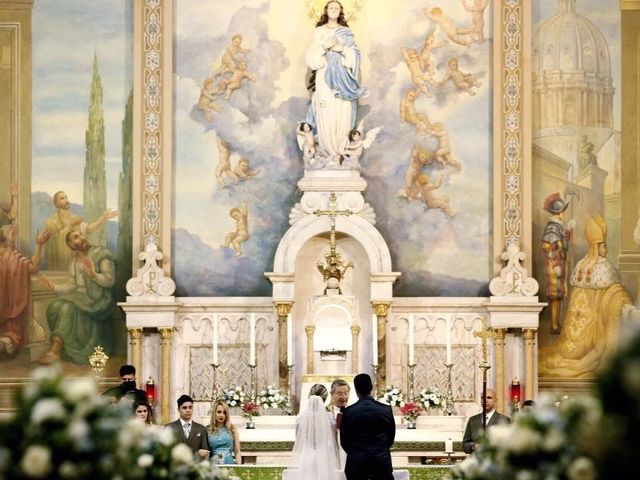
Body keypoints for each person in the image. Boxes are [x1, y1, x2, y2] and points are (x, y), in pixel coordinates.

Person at [540, 216, 633, 378]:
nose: (607, 249)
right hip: (590, 340)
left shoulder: (581, 265)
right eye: (604, 245)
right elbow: (614, 293)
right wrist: (620, 295)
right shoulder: (604, 267)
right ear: (597, 246)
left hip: (571, 340)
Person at [37, 230, 115, 365]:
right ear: (71, 245)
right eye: (76, 237)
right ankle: (61, 346)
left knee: (67, 307)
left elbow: (110, 281)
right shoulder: (74, 261)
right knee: (55, 307)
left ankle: (55, 350)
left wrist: (94, 275)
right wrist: (53, 286)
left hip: (99, 300)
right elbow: (72, 285)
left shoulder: (101, 254)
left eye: (81, 234)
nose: (82, 237)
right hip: (82, 299)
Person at [305, 1, 367, 158]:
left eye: (337, 8)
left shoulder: (346, 32)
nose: (334, 10)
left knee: (342, 109)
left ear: (341, 12)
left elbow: (356, 55)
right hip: (324, 76)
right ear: (326, 10)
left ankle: (341, 149)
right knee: (326, 109)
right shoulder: (319, 31)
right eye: (331, 7)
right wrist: (324, 46)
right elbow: (311, 56)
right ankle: (327, 151)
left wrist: (343, 49)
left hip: (343, 79)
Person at [0, 226, 50, 357]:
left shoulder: (13, 257)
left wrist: (39, 245)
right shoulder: (12, 256)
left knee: (9, 337)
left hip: (8, 324)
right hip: (8, 324)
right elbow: (33, 268)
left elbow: (33, 268)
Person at [340, 373, 395, 480]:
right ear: (371, 388)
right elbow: (390, 438)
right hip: (381, 462)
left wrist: (356, 453)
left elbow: (344, 441)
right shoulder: (386, 410)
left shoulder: (349, 412)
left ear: (356, 390)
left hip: (356, 463)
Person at [44, 190, 117, 271]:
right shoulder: (52, 222)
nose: (66, 200)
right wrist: (69, 227)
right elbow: (51, 244)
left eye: (66, 197)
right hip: (60, 264)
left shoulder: (75, 218)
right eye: (62, 198)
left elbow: (88, 229)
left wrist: (103, 218)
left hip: (75, 262)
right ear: (56, 204)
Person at [285, 392, 340, 480]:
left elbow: (298, 438)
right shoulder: (329, 417)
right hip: (324, 453)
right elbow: (334, 440)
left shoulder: (301, 417)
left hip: (307, 452)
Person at [540, 193, 573, 334]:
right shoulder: (552, 227)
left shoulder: (558, 226)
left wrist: (569, 231)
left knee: (559, 296)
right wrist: (556, 252)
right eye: (563, 210)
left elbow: (563, 244)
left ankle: (556, 324)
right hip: (555, 265)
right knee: (555, 295)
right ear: (558, 212)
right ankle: (554, 325)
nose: (564, 213)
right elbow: (547, 247)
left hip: (559, 263)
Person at [462, 388, 511, 454]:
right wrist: (474, 446)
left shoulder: (505, 420)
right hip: (477, 461)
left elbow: (509, 445)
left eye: (489, 397)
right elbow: (465, 445)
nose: (485, 400)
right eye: (482, 398)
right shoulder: (473, 420)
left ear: (495, 400)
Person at [166, 394, 210, 459]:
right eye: (184, 408)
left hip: (196, 467)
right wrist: (196, 453)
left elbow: (205, 453)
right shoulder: (169, 428)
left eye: (190, 407)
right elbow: (166, 452)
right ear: (178, 409)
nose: (188, 410)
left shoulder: (201, 429)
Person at [208, 400, 241, 464]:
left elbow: (237, 451)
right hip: (214, 463)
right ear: (214, 413)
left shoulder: (232, 428)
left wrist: (239, 466)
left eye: (224, 412)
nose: (222, 415)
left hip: (228, 462)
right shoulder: (208, 429)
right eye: (219, 412)